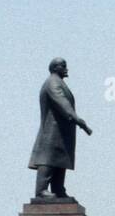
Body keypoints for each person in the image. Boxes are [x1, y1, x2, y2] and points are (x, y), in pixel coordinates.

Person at [31, 58, 93, 199]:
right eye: (63, 66)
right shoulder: (52, 83)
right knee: (48, 158)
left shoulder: (59, 82)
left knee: (59, 159)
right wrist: (77, 119)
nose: (66, 68)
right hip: (52, 129)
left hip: (62, 130)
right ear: (54, 68)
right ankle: (41, 191)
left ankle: (58, 189)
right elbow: (61, 102)